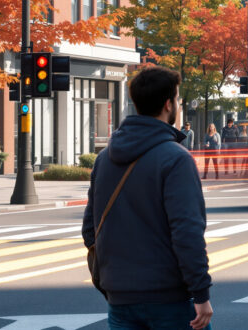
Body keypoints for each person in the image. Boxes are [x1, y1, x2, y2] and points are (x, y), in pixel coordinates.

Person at [82, 67, 213, 330]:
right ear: (168, 104)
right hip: (169, 298)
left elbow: (89, 231)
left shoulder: (104, 159)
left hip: (119, 299)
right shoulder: (175, 158)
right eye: (176, 99)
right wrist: (201, 293)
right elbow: (187, 232)